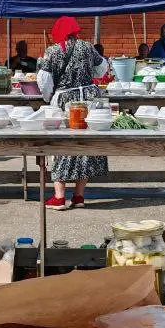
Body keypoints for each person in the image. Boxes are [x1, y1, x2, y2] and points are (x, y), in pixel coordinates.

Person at [39, 16, 108, 210]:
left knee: (61, 144)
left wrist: (48, 97)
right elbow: (102, 68)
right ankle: (79, 196)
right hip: (89, 98)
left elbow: (44, 80)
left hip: (66, 101)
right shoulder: (87, 47)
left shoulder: (53, 51)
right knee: (85, 146)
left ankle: (59, 197)